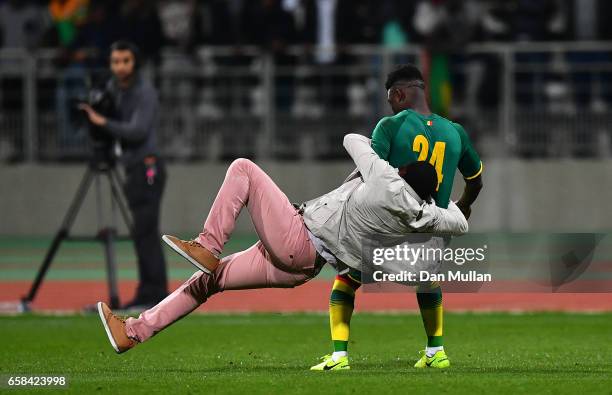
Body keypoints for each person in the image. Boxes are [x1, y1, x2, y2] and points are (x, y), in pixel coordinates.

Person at [96, 133, 469, 354]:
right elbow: (461, 221)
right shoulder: (423, 213)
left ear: (401, 172)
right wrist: (439, 203)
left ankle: (208, 245)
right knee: (209, 282)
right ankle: (132, 333)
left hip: (298, 237)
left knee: (243, 168)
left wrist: (385, 143)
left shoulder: (385, 178)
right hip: (304, 266)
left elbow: (352, 140)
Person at [312, 64, 483, 371]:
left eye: (390, 98)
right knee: (428, 282)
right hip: (431, 236)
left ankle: (339, 356)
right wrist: (463, 206)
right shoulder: (455, 133)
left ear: (399, 93)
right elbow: (476, 181)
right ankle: (436, 352)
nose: (390, 104)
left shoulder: (390, 127)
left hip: (388, 234)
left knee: (346, 280)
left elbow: (370, 175)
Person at [79, 41, 168, 310]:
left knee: (146, 232)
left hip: (148, 168)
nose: (119, 67)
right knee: (141, 234)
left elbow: (138, 131)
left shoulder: (145, 92)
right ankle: (147, 293)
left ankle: (155, 295)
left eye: (125, 61)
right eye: (115, 61)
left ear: (135, 63)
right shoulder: (113, 91)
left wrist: (102, 122)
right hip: (132, 168)